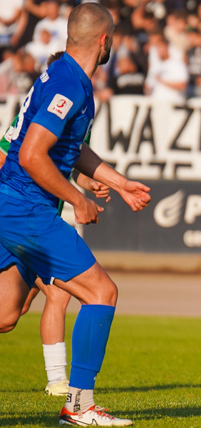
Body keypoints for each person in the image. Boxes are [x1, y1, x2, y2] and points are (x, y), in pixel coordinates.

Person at [0, 3, 151, 426]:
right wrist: (77, 198)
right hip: (27, 208)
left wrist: (118, 182)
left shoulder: (66, 76)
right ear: (105, 41)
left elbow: (70, 148)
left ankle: (79, 405)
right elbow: (32, 154)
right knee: (101, 293)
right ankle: (80, 406)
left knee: (6, 315)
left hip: (13, 205)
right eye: (113, 38)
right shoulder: (71, 83)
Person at [0, 51, 110, 398]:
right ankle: (63, 384)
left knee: (6, 316)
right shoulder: (62, 94)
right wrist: (78, 198)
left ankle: (62, 384)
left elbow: (66, 158)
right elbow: (14, 156)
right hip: (22, 214)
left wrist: (90, 182)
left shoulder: (61, 101)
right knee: (76, 292)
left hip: (38, 211)